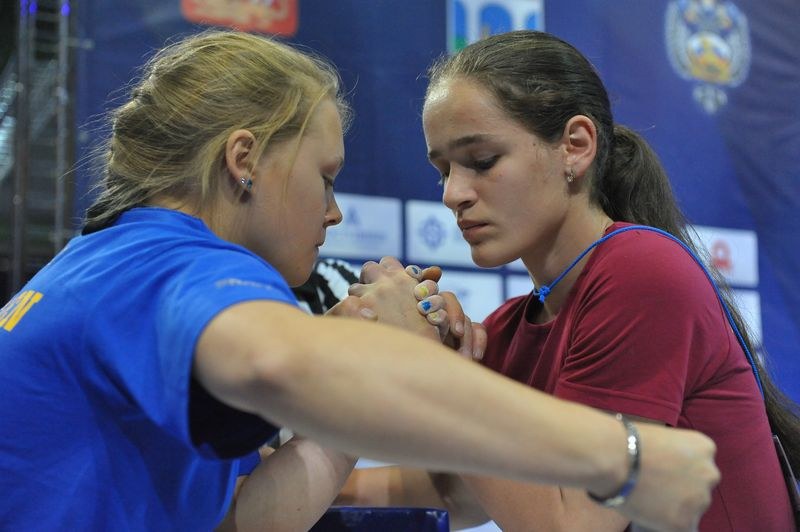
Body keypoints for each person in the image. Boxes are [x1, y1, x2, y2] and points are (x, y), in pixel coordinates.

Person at [0, 30, 720, 532]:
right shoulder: (173, 259)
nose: (335, 211)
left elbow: (240, 521)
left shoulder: (115, 261)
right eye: (325, 177)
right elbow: (280, 363)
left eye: (480, 162)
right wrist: (618, 457)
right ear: (244, 160)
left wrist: (368, 349)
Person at [339, 30, 800, 531]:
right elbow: (460, 489)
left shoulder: (642, 270)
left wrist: (432, 367)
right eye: (443, 170)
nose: (453, 194)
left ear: (575, 147)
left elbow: (573, 523)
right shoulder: (508, 328)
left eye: (482, 161)